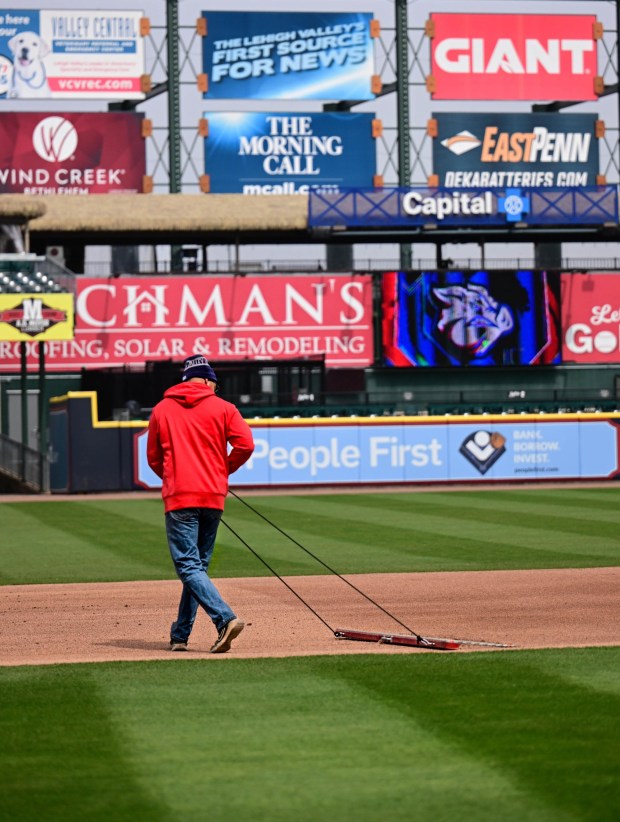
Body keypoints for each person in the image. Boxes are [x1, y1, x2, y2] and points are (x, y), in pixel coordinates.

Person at [147, 354, 255, 654]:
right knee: (197, 569)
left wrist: (175, 478)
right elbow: (246, 445)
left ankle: (224, 619)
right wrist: (223, 470)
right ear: (208, 380)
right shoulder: (224, 408)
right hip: (213, 495)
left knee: (188, 566)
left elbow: (154, 458)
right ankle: (180, 636)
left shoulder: (161, 409)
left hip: (180, 496)